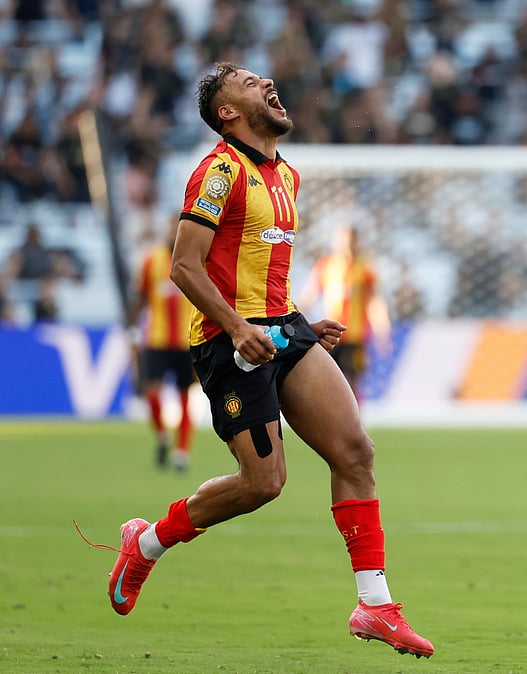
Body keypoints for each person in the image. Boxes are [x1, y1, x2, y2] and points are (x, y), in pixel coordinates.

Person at [86, 63, 433, 659]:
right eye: (248, 83)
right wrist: (237, 325)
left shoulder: (286, 176)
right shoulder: (218, 174)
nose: (267, 83)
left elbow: (260, 267)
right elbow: (185, 266)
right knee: (264, 483)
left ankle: (374, 605)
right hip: (229, 342)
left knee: (355, 451)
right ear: (228, 112)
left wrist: (298, 322)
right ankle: (146, 543)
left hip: (284, 327)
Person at [129, 222, 196, 472]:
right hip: (156, 339)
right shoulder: (151, 260)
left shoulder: (196, 257)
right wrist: (134, 329)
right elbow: (141, 296)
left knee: (184, 399)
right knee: (152, 393)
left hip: (186, 341)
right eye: (171, 231)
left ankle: (181, 453)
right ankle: (162, 436)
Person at [298, 225, 391, 400]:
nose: (346, 246)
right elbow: (310, 295)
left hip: (355, 335)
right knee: (327, 381)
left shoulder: (365, 268)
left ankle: (354, 422)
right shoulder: (325, 266)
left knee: (353, 381)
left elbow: (374, 302)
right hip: (331, 334)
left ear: (356, 243)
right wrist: (296, 316)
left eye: (350, 242)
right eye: (342, 242)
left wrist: (382, 331)